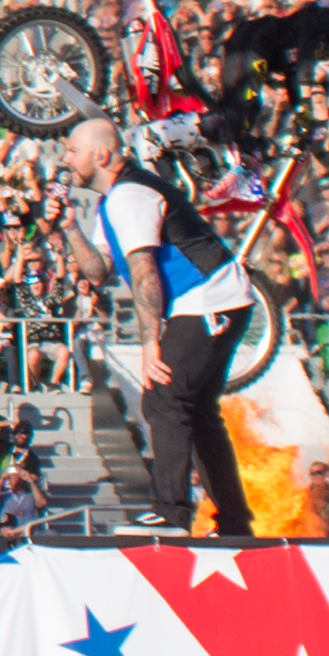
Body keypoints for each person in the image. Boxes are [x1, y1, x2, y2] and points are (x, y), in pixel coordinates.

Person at [68, 117, 252, 537]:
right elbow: (98, 271)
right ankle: (235, 522)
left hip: (210, 299)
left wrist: (151, 343)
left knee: (164, 398)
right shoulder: (111, 200)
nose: (66, 159)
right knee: (197, 410)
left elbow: (144, 272)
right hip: (216, 301)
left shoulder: (130, 195)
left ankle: (171, 514)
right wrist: (66, 228)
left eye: (72, 150)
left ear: (102, 154)